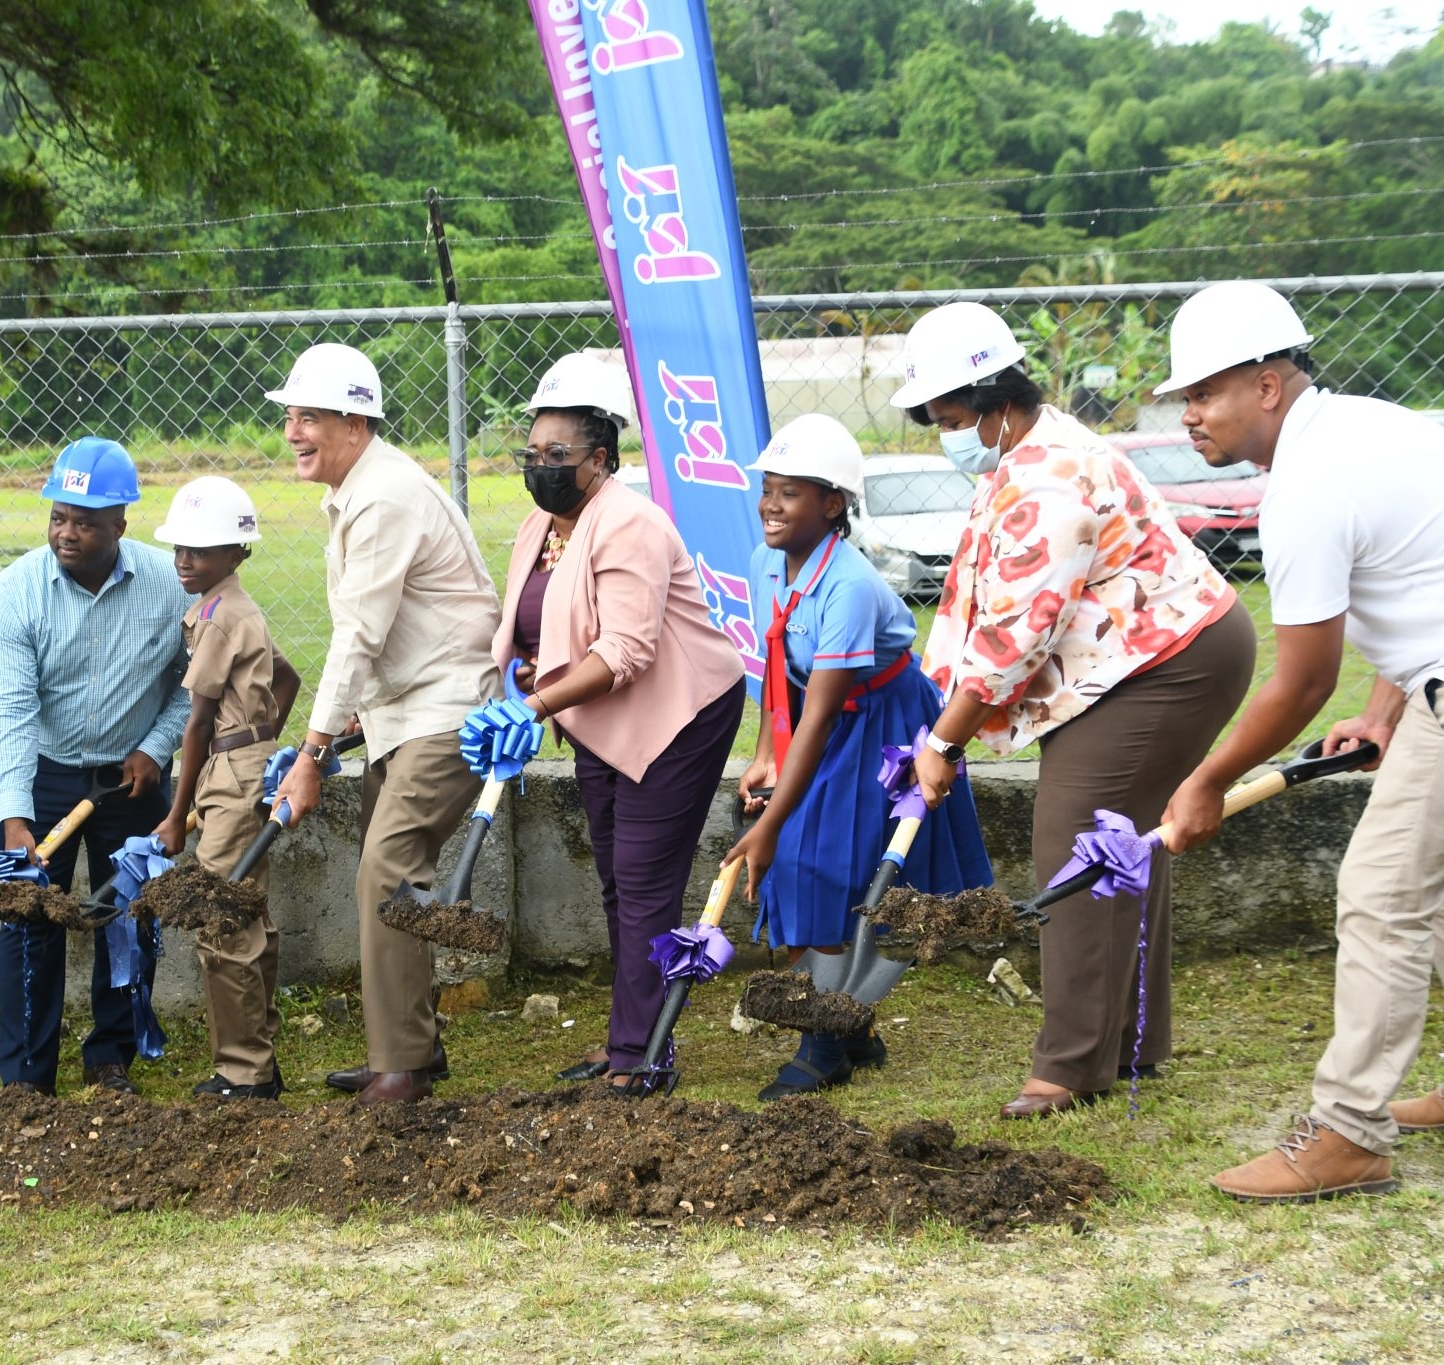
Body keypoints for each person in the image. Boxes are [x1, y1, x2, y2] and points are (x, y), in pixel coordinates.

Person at [1148, 282, 1444, 1203]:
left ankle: (1347, 1132)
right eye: (1184, 397)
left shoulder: (1307, 484)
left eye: (1203, 393)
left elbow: (1299, 680)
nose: (1189, 415)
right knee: (1443, 867)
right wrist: (1384, 710)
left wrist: (1208, 779)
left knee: (1380, 888)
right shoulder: (1362, 425)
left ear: (1265, 384)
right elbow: (1430, 568)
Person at [895, 302, 1257, 1120]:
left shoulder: (1048, 478)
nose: (945, 437)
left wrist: (942, 744)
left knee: (1077, 842)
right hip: (1146, 655)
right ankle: (1128, 1039)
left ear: (996, 399)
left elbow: (1015, 634)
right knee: (1121, 840)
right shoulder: (1029, 449)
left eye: (952, 419)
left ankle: (1069, 1066)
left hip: (1167, 664)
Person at [479, 352, 745, 1091]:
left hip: (676, 716)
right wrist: (526, 670)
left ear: (601, 458)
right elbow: (552, 621)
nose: (540, 465)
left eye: (556, 454)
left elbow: (627, 647)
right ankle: (630, 1032)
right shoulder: (543, 523)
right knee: (618, 883)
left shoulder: (631, 523)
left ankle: (645, 1053)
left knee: (644, 878)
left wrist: (535, 703)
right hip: (597, 714)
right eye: (531, 452)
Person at [725, 414, 996, 1100]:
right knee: (801, 862)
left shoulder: (847, 585)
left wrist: (772, 820)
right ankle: (850, 1027)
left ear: (833, 503)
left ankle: (826, 1044)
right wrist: (764, 751)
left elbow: (819, 715)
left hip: (882, 723)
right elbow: (777, 659)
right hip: (829, 716)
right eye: (767, 487)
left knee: (828, 868)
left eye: (790, 492)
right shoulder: (768, 559)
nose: (770, 504)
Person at [267, 342, 500, 1105]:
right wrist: (349, 727)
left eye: (309, 417)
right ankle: (409, 1053)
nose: (293, 431)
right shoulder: (361, 491)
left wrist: (311, 748)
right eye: (290, 416)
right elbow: (387, 634)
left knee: (388, 869)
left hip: (447, 710)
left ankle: (400, 1071)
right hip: (403, 711)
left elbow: (358, 635)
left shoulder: (385, 496)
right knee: (388, 874)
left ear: (355, 421)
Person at [0, 437, 191, 1097]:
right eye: (59, 517)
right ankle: (25, 1075)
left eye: (87, 522)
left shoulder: (168, 583)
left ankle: (110, 1058)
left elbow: (195, 688)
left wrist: (156, 749)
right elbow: (9, 710)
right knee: (28, 920)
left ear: (120, 525)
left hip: (132, 781)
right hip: (41, 778)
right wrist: (14, 817)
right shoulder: (15, 594)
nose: (67, 534)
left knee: (128, 918)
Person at [149, 476, 301, 1100]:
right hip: (248, 770)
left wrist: (174, 813)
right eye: (180, 548)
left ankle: (244, 1072)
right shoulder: (240, 608)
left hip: (228, 775)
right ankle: (258, 1060)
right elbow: (287, 679)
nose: (186, 560)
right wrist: (264, 742)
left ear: (238, 553)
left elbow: (197, 725)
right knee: (249, 915)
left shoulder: (215, 619)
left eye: (202, 550)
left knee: (222, 920)